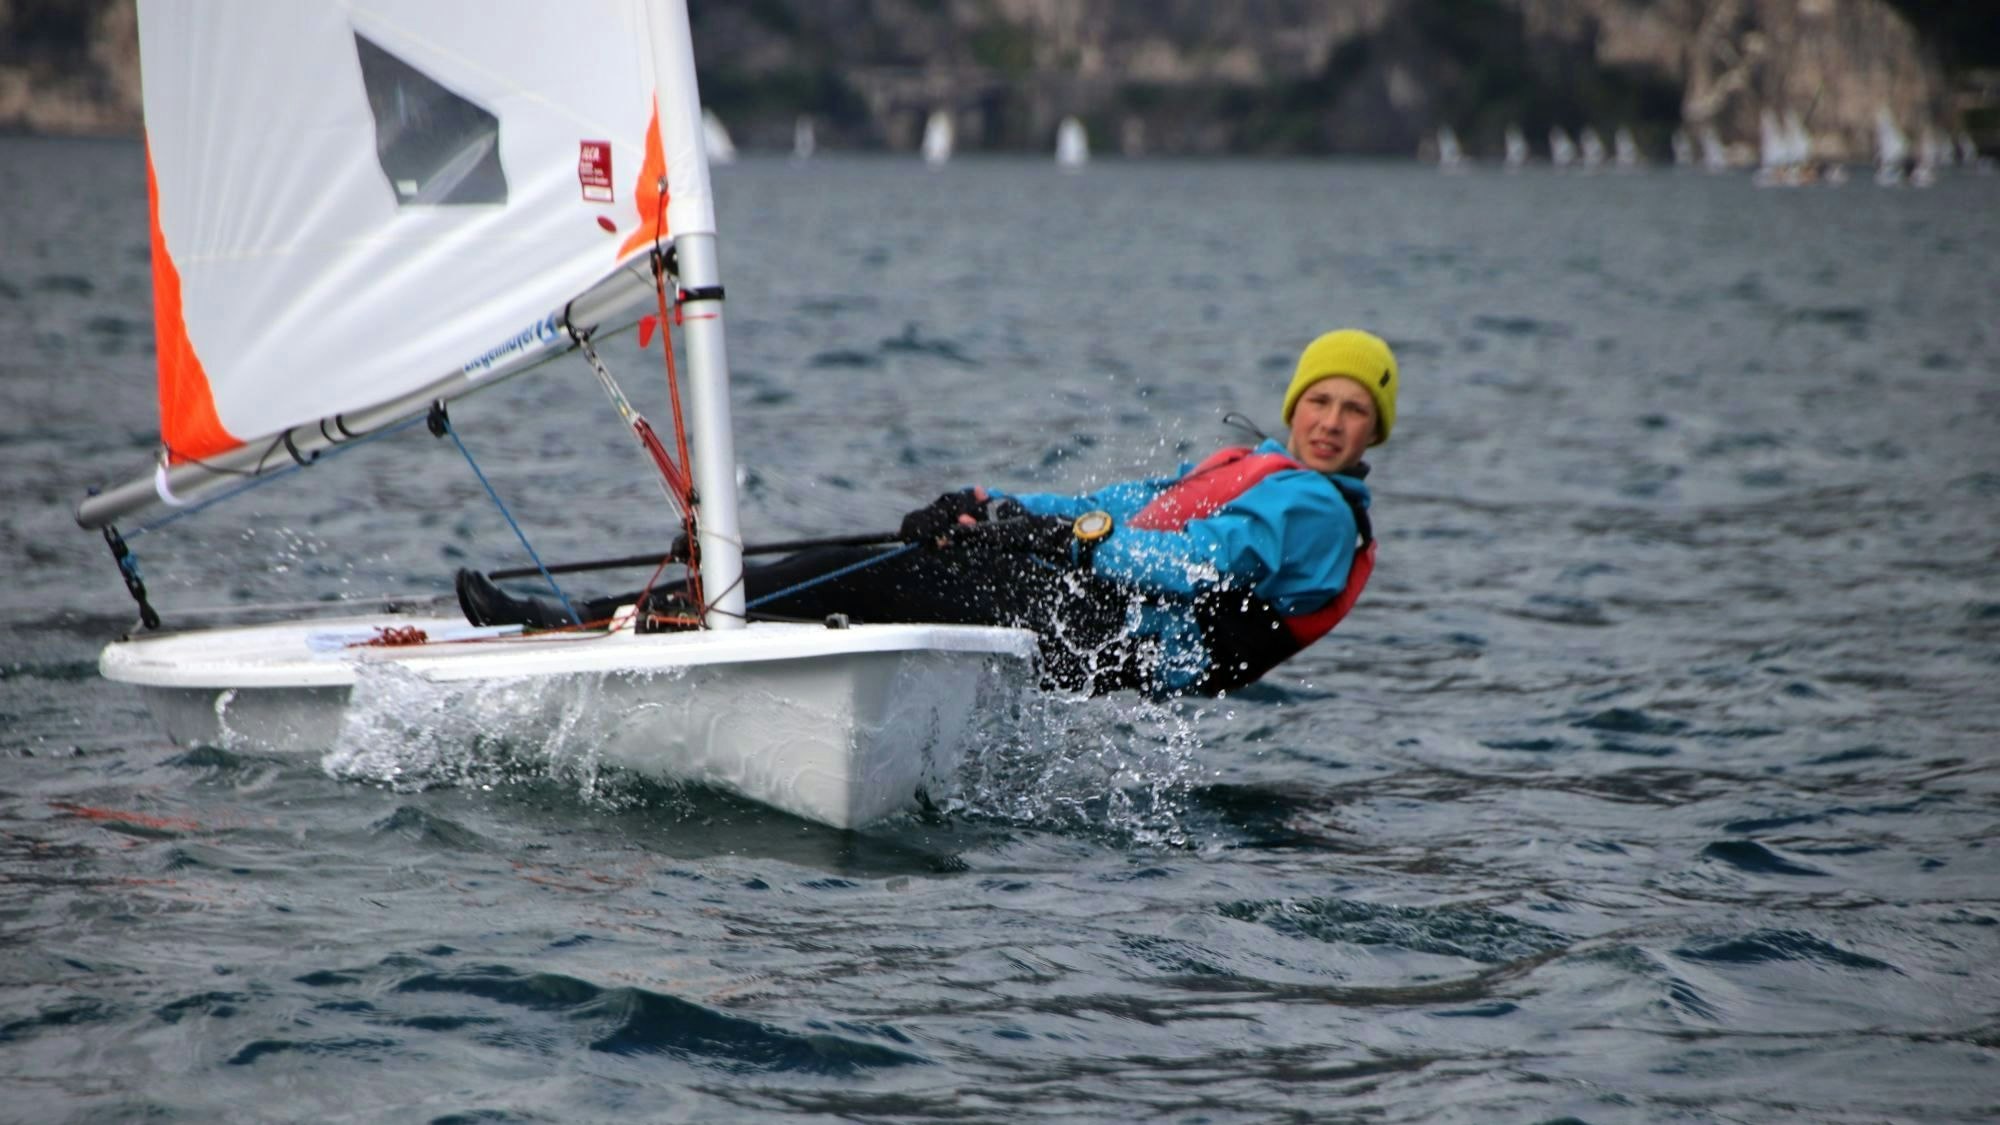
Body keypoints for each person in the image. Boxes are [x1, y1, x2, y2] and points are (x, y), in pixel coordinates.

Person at [456, 328, 1398, 697]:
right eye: (1320, 399)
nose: (1330, 421)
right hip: (1088, 602)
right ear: (1295, 404)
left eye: (1353, 411)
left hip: (1119, 636)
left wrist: (1063, 543)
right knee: (860, 564)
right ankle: (624, 618)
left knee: (873, 579)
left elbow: (1202, 564)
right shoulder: (1250, 464)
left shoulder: (1315, 511)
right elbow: (1114, 508)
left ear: (1372, 434)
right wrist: (997, 507)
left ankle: (606, 623)